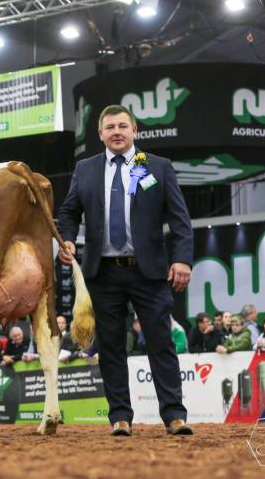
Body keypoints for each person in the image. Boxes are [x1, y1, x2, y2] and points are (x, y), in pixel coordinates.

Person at [57, 104, 193, 437]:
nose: (116, 132)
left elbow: (179, 219)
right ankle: (120, 417)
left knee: (161, 343)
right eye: (110, 127)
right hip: (102, 273)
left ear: (135, 130)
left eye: (122, 126)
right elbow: (69, 211)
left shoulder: (157, 167)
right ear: (100, 134)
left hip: (149, 272)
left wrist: (182, 259)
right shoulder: (85, 169)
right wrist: (68, 240)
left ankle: (174, 416)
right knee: (112, 347)